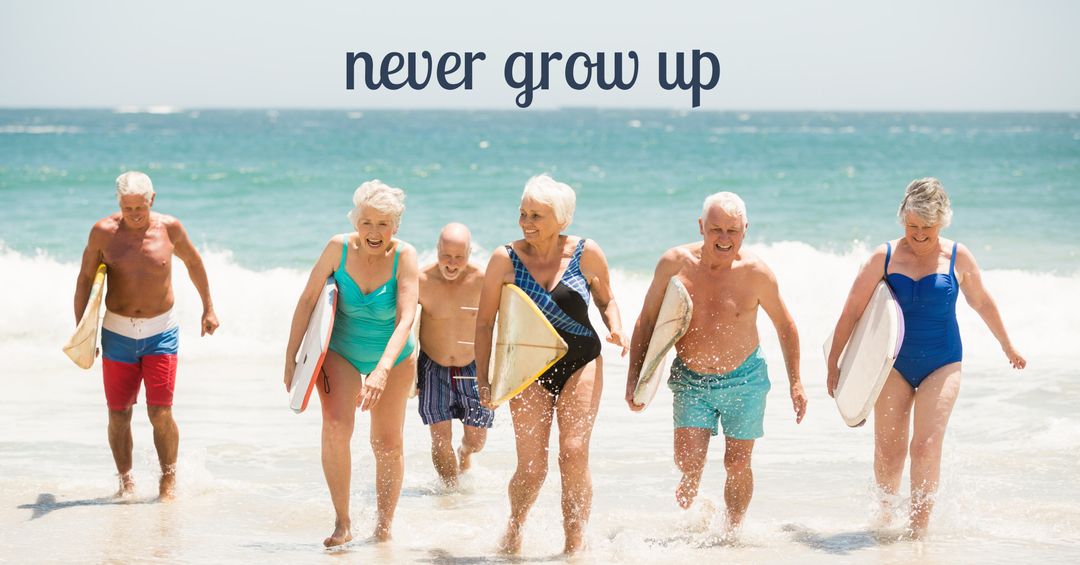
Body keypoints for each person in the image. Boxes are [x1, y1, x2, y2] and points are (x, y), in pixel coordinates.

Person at [826, 178, 1026, 537]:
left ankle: (919, 531)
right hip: (893, 365)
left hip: (942, 361)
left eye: (928, 228)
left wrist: (1006, 345)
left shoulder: (958, 257)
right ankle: (885, 522)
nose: (919, 235)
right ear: (902, 218)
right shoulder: (882, 258)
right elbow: (852, 312)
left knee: (926, 445)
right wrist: (833, 365)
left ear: (942, 222)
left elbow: (981, 301)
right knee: (889, 450)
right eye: (912, 226)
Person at [626, 191, 807, 536]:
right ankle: (692, 479)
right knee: (687, 461)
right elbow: (647, 321)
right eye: (716, 230)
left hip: (745, 379)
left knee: (737, 462)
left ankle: (732, 532)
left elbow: (786, 325)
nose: (724, 239)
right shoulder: (674, 264)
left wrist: (796, 382)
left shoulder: (756, 273)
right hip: (691, 380)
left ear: (745, 230)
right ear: (701, 226)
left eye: (733, 231)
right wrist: (636, 377)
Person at [475, 174, 628, 555]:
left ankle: (573, 546)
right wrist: (484, 378)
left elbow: (607, 300)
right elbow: (483, 322)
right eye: (523, 213)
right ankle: (514, 528)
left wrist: (616, 327)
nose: (527, 222)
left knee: (573, 451)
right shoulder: (504, 259)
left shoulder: (585, 252)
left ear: (562, 220)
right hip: (527, 367)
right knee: (532, 467)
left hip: (582, 360)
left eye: (537, 216)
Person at [284, 180, 418, 547]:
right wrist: (292, 357)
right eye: (367, 222)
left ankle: (384, 527)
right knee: (336, 426)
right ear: (356, 221)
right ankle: (343, 523)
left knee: (386, 443)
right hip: (341, 349)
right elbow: (309, 298)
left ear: (396, 226)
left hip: (393, 355)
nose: (374, 232)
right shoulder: (337, 248)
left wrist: (382, 369)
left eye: (383, 224)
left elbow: (406, 318)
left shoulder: (405, 256)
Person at [73, 171, 219, 501]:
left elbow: (195, 263)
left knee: (160, 412)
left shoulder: (170, 228)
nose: (135, 215)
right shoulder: (103, 233)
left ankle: (167, 484)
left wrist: (208, 307)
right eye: (127, 209)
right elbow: (84, 279)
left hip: (161, 332)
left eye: (140, 208)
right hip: (117, 333)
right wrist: (84, 331)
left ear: (152, 200)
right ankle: (126, 482)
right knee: (119, 414)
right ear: (118, 204)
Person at [416, 223, 494, 487]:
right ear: (436, 249)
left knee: (476, 441)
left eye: (459, 257)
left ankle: (465, 453)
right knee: (439, 438)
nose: (451, 263)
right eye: (445, 255)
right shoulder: (420, 280)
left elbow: (505, 324)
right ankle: (450, 497)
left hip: (472, 367)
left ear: (470, 253)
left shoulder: (484, 281)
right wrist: (405, 376)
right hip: (432, 367)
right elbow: (402, 326)